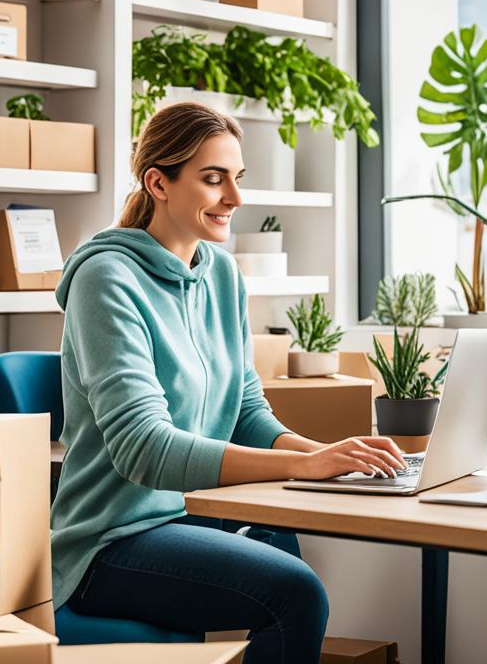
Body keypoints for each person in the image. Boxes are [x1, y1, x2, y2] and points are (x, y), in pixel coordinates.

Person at [50, 101, 406, 663]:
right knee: (297, 594)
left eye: (236, 179)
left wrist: (332, 456)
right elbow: (144, 450)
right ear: (157, 182)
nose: (235, 199)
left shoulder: (220, 274)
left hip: (194, 513)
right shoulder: (106, 279)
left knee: (281, 538)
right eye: (213, 180)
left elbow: (245, 407)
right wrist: (299, 466)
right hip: (113, 539)